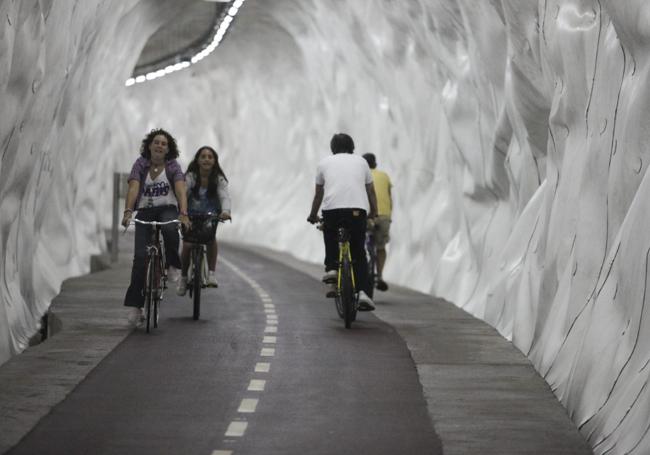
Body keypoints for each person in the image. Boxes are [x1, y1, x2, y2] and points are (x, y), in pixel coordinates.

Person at [122, 128, 190, 325]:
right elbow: (134, 187)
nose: (160, 145)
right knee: (140, 258)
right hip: (145, 210)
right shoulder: (140, 164)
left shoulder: (172, 166)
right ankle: (136, 306)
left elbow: (180, 189)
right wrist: (128, 211)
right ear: (149, 146)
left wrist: (183, 214)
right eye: (156, 142)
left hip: (167, 208)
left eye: (164, 143)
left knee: (170, 228)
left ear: (168, 149)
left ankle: (173, 266)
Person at [307, 133, 378, 310]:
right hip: (357, 211)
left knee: (330, 233)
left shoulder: (324, 163)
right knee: (358, 252)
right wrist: (374, 212)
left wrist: (312, 215)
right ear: (352, 146)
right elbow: (370, 191)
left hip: (332, 210)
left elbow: (319, 194)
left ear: (332, 148)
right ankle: (362, 293)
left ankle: (332, 268)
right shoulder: (362, 162)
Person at [177, 146, 231, 295]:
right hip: (190, 215)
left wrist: (226, 211)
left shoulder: (218, 179)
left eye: (210, 156)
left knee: (211, 239)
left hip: (210, 215)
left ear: (214, 161)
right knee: (187, 245)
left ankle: (211, 274)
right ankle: (182, 277)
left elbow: (224, 196)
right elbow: (183, 193)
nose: (206, 159)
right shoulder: (191, 177)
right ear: (197, 160)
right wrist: (182, 212)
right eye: (203, 156)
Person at [362, 153, 392, 291]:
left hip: (366, 216)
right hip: (384, 216)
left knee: (359, 244)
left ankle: (361, 272)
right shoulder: (384, 176)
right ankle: (379, 276)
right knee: (381, 247)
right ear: (375, 164)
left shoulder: (361, 176)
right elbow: (389, 199)